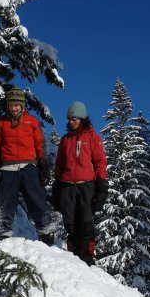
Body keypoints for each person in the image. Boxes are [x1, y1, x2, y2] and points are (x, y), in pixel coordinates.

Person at [0, 86, 55, 243]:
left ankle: (46, 231)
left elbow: (40, 144)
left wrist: (44, 164)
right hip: (7, 168)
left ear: (22, 106)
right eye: (11, 105)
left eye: (17, 105)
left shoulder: (32, 121)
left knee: (36, 199)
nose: (13, 108)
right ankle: (3, 232)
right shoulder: (1, 123)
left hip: (29, 166)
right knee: (6, 201)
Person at [52, 101, 108, 265]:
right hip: (67, 184)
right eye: (69, 119)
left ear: (82, 118)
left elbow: (100, 162)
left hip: (86, 185)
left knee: (86, 221)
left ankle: (88, 256)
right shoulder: (65, 140)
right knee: (70, 223)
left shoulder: (93, 137)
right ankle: (74, 255)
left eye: (74, 118)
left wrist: (101, 184)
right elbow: (59, 163)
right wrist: (56, 184)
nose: (71, 122)